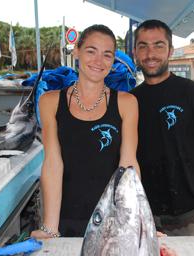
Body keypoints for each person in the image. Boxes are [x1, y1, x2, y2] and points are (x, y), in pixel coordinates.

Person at [31, 24, 139, 238]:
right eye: (91, 51)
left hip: (111, 218)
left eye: (107, 55)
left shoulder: (127, 102)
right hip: (64, 215)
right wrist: (50, 227)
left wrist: (133, 220)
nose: (99, 61)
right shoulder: (50, 102)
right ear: (77, 51)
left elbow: (128, 166)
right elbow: (53, 163)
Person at [131, 20, 194, 236]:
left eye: (158, 45)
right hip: (143, 215)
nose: (150, 54)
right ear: (135, 52)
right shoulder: (131, 100)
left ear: (170, 51)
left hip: (190, 215)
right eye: (143, 46)